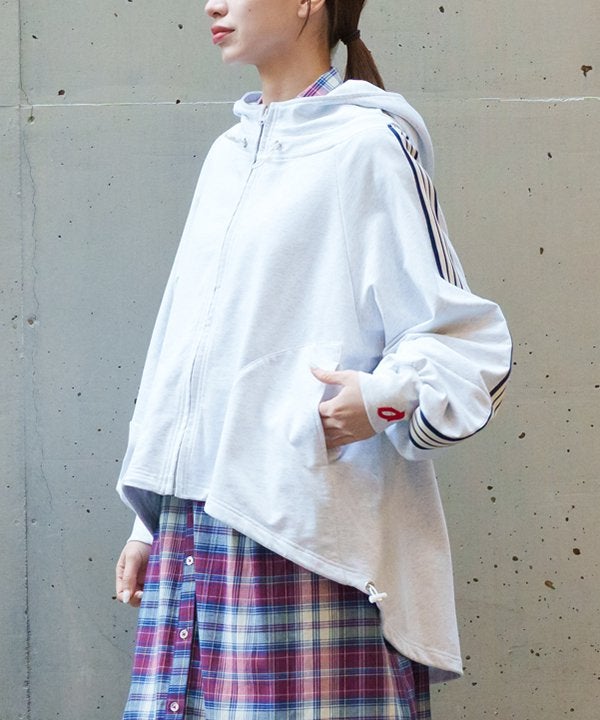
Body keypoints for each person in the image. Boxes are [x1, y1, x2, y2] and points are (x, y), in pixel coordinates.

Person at [115, 0, 512, 718]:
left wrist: (384, 399)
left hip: (301, 542)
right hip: (195, 536)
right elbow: (189, 349)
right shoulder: (228, 154)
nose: (212, 3)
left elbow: (464, 341)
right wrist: (153, 521)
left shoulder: (368, 145)